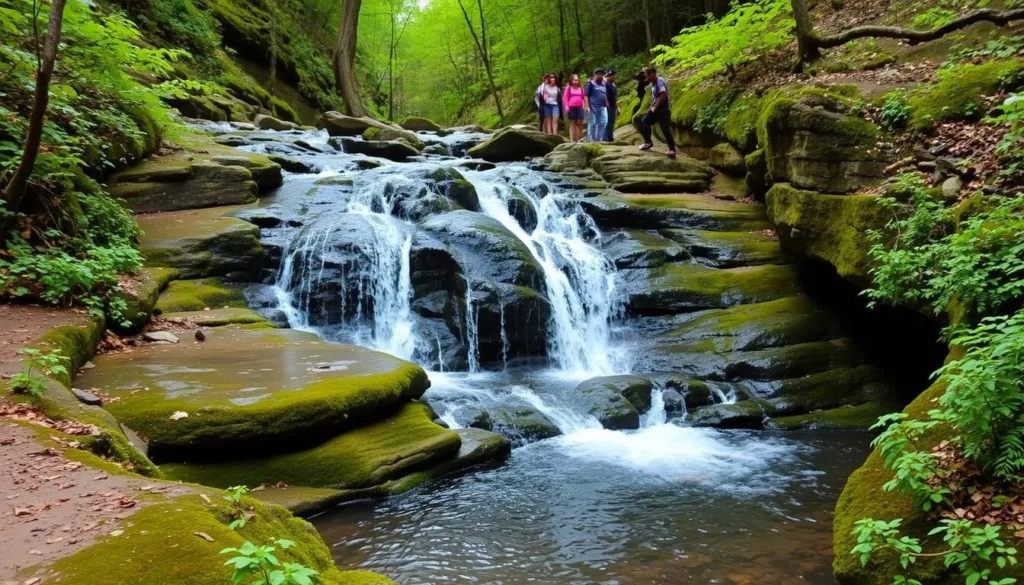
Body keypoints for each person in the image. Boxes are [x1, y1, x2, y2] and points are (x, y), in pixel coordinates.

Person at [638, 66, 676, 158]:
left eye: (648, 76)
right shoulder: (654, 82)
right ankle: (648, 142)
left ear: (653, 74)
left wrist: (655, 107)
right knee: (645, 121)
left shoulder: (659, 82)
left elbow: (663, 95)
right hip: (655, 109)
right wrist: (652, 107)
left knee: (665, 129)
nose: (647, 78)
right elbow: (656, 96)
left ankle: (672, 149)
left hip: (663, 111)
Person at [585, 68, 609, 143]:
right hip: (593, 106)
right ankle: (591, 140)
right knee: (593, 123)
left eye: (601, 74)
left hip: (602, 106)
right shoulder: (591, 84)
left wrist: (607, 102)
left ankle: (600, 138)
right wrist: (587, 106)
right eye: (598, 74)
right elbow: (586, 95)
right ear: (595, 75)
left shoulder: (604, 84)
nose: (600, 76)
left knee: (604, 122)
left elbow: (605, 94)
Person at [563, 74, 586, 142]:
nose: (576, 81)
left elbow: (583, 97)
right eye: (574, 80)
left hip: (579, 106)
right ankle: (572, 139)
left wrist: (585, 105)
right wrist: (566, 107)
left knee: (579, 122)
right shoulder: (569, 87)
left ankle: (579, 138)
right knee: (572, 122)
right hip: (571, 107)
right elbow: (565, 97)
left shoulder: (581, 88)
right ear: (571, 80)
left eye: (577, 80)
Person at [603, 69, 618, 142]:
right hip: (608, 105)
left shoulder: (612, 85)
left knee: (612, 121)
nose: (614, 77)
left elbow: (615, 96)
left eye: (614, 76)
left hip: (613, 105)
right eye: (612, 76)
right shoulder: (606, 84)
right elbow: (605, 95)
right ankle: (607, 137)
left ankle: (610, 136)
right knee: (608, 121)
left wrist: (617, 106)